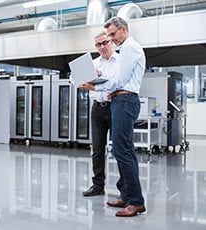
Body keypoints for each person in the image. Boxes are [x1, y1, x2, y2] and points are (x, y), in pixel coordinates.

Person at [79, 16, 146, 217]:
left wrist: (96, 83)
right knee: (121, 150)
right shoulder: (126, 48)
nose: (111, 39)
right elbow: (117, 81)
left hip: (124, 101)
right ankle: (127, 196)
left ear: (123, 29)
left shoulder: (130, 48)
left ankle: (136, 201)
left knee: (122, 151)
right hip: (118, 101)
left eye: (112, 35)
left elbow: (119, 80)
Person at [83, 31, 118, 197]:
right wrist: (87, 77)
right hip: (97, 108)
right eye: (98, 44)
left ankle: (124, 188)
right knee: (97, 149)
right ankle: (98, 186)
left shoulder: (120, 61)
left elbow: (121, 81)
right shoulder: (93, 63)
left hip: (115, 107)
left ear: (110, 41)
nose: (102, 47)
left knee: (119, 149)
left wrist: (103, 78)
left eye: (105, 43)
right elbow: (74, 80)